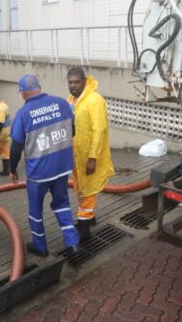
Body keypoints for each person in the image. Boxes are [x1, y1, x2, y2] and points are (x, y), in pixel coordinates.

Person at [9, 75, 81, 257]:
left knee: (35, 210)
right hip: (61, 168)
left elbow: (16, 147)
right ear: (39, 87)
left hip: (38, 173)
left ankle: (40, 246)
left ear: (24, 93)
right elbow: (72, 129)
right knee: (62, 203)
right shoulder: (62, 103)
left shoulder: (23, 114)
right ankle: (72, 243)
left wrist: (12, 170)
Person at [67, 67, 115, 241]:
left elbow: (99, 130)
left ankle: (84, 229)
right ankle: (88, 217)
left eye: (76, 82)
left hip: (89, 156)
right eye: (70, 82)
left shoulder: (95, 100)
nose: (73, 85)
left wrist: (92, 158)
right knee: (81, 188)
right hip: (76, 155)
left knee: (87, 190)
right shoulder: (72, 100)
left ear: (84, 81)